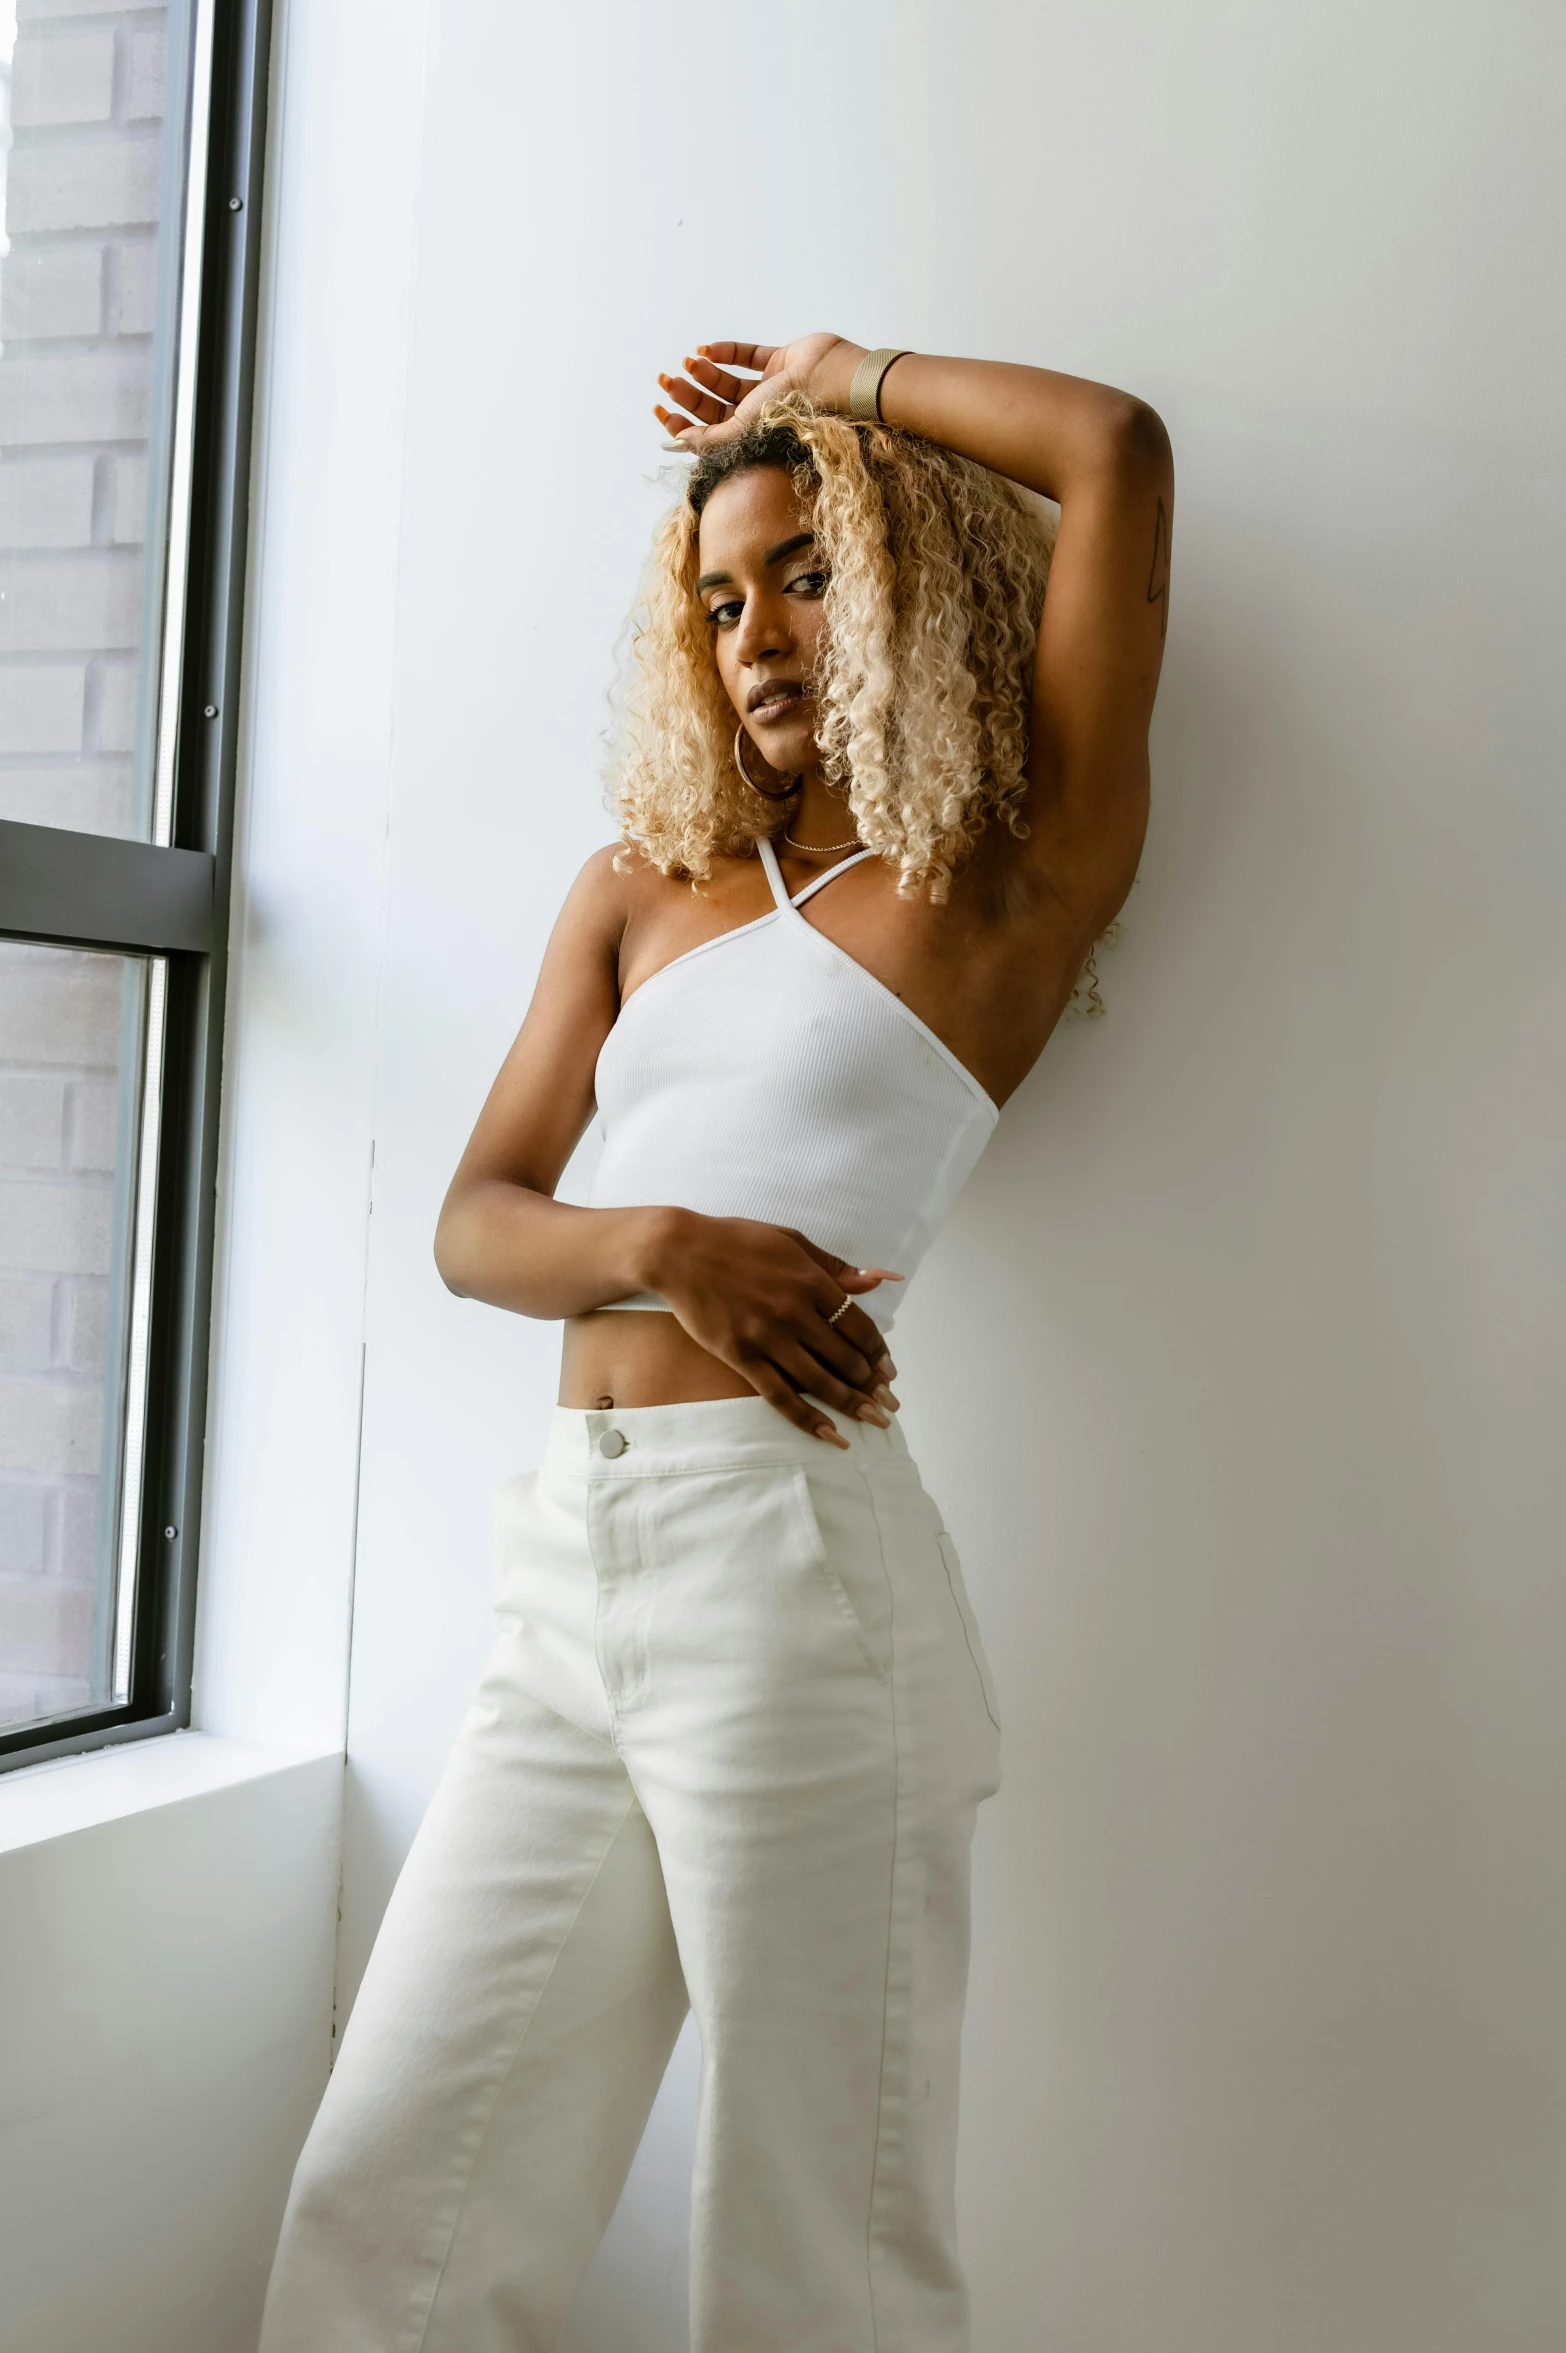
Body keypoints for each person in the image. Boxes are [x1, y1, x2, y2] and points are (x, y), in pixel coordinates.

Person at [258, 334, 1172, 2353]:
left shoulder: (1003, 881)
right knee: (394, 2194)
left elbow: (1111, 451)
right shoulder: (639, 889)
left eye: (808, 569)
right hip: (569, 1576)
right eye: (721, 594)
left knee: (810, 2256)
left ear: (908, 577)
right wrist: (667, 1246)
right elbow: (476, 1223)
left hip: (797, 1583)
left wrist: (845, 376)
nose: (758, 628)